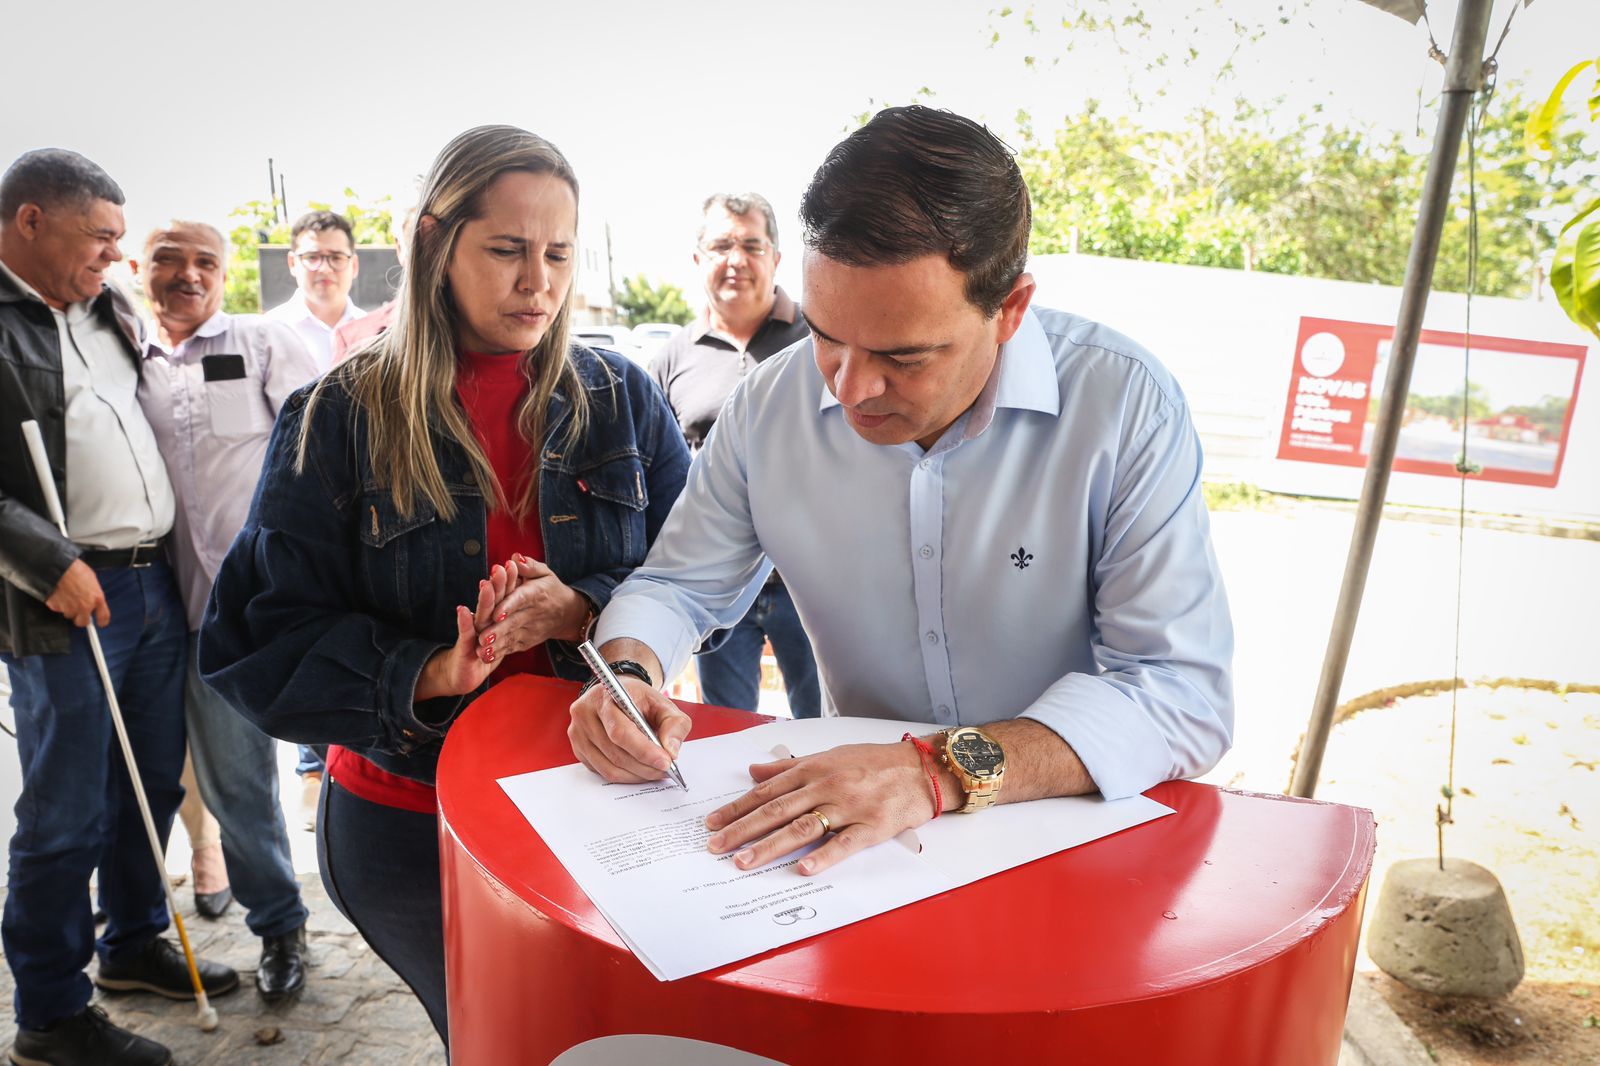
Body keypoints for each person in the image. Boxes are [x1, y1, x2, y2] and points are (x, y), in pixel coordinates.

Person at [563, 106, 1234, 878]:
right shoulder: (767, 406)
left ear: (1009, 310)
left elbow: (1180, 693)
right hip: (865, 849)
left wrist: (933, 769)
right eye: (824, 334)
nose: (850, 389)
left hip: (1072, 833)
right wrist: (631, 674)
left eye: (904, 356)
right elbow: (678, 585)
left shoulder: (1125, 405)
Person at [199, 124, 692, 1044]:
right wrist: (427, 670)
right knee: (490, 1036)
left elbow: (699, 576)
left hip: (597, 802)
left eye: (557, 253)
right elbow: (257, 640)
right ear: (433, 243)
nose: (537, 282)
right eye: (506, 250)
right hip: (410, 819)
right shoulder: (339, 414)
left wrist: (585, 604)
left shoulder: (622, 395)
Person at [0, 149, 236, 1066]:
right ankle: (49, 1015)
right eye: (98, 236)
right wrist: (44, 558)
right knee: (64, 811)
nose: (113, 255)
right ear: (30, 221)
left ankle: (132, 945)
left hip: (148, 580)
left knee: (149, 782)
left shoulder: (106, 307)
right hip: (60, 595)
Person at [130, 220, 318, 999]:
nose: (188, 275)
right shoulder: (124, 359)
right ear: (142, 268)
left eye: (206, 261)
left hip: (254, 609)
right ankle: (143, 938)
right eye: (170, 260)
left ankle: (281, 929)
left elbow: (316, 447)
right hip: (159, 612)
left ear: (226, 271)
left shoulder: (260, 342)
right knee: (173, 783)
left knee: (252, 781)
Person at [649, 193, 821, 719]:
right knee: (724, 732)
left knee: (829, 726)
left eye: (751, 244)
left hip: (810, 583)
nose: (736, 259)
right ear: (697, 259)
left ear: (776, 257)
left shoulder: (823, 339)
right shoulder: (672, 358)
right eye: (721, 245)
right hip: (714, 592)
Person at [264, 209, 366, 372]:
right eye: (312, 257)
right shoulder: (268, 331)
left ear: (354, 265)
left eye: (336, 257)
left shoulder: (375, 333)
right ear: (292, 263)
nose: (325, 269)